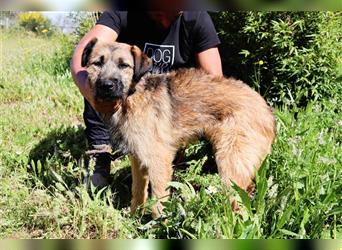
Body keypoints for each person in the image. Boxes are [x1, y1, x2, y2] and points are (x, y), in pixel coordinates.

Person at [70, 11, 223, 188]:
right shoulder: (123, 10)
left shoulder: (196, 17)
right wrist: (93, 96)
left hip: (170, 100)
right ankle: (100, 152)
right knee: (101, 83)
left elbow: (214, 82)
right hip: (131, 98)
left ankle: (180, 151)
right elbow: (81, 56)